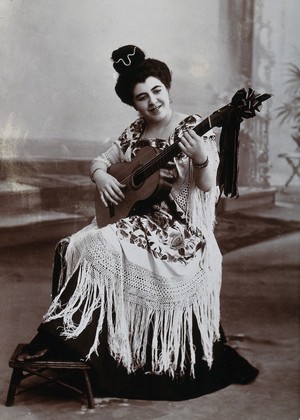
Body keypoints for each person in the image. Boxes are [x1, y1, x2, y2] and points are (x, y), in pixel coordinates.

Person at [16, 45, 258, 400]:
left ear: (167, 88)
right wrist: (102, 177)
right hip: (138, 218)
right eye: (142, 97)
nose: (153, 102)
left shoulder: (192, 126)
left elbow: (209, 187)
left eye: (157, 91)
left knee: (98, 245)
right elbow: (101, 160)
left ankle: (64, 339)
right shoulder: (135, 130)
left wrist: (202, 157)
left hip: (177, 229)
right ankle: (77, 341)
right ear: (134, 104)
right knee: (73, 244)